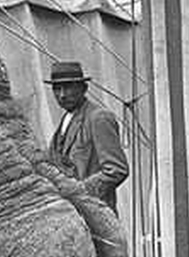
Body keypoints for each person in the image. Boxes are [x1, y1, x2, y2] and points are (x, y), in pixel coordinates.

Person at [45, 60, 129, 208]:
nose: (62, 95)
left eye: (68, 87)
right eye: (57, 88)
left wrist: (78, 192)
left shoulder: (98, 118)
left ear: (84, 88)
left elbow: (116, 169)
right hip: (68, 216)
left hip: (96, 216)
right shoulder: (65, 121)